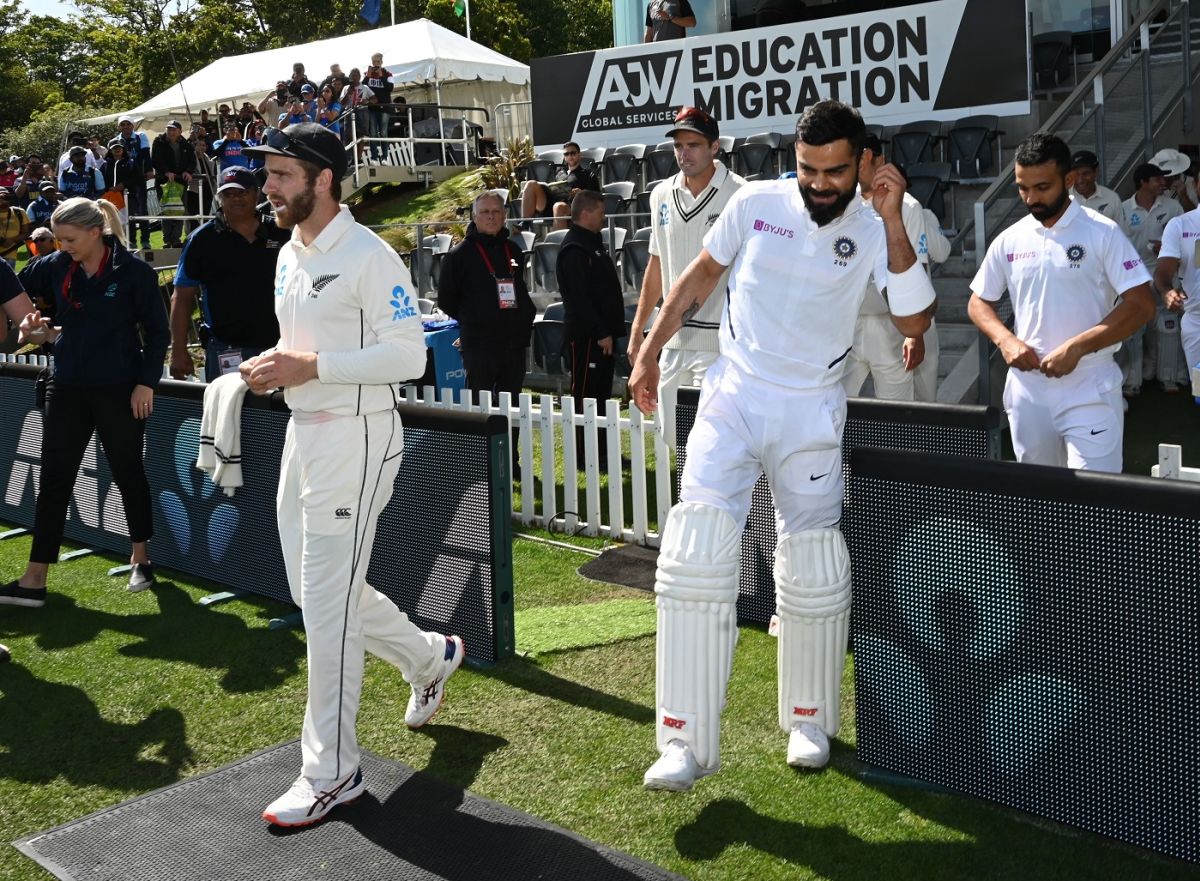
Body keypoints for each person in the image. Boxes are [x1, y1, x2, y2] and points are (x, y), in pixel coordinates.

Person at [628, 99, 934, 790]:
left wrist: (890, 219)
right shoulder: (756, 202)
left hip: (810, 411)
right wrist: (650, 349)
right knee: (695, 547)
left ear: (864, 163)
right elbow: (699, 276)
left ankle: (809, 719)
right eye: (807, 169)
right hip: (732, 394)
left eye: (834, 172)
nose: (819, 185)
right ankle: (683, 741)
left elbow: (915, 312)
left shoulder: (879, 221)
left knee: (814, 558)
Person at [240, 123, 465, 827]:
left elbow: (410, 358)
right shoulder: (289, 251)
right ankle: (428, 656)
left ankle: (331, 773)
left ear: (322, 177)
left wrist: (312, 369)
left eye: (280, 174)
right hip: (304, 432)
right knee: (320, 595)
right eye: (268, 174)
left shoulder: (370, 256)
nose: (267, 187)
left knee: (328, 606)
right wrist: (275, 367)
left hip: (360, 439)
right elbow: (304, 345)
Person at [0, 198, 169, 608]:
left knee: (127, 470)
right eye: (58, 239)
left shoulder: (135, 273)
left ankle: (141, 558)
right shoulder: (54, 265)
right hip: (67, 384)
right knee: (54, 477)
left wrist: (146, 383)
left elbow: (157, 333)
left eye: (70, 239)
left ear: (96, 232)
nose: (62, 246)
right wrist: (34, 326)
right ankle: (35, 579)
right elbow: (22, 298)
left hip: (120, 388)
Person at [968, 133, 1154, 472]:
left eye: (1042, 187)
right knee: (1038, 498)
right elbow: (978, 302)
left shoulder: (1103, 232)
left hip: (1089, 384)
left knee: (1096, 499)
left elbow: (1141, 304)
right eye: (1023, 188)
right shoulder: (1010, 239)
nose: (1031, 198)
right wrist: (1005, 339)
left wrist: (1079, 347)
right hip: (1028, 389)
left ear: (1068, 180)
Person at [628, 106, 745, 451]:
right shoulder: (661, 194)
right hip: (672, 343)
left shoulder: (739, 194)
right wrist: (639, 331)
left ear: (715, 147)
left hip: (721, 345)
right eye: (678, 146)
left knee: (715, 451)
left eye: (693, 144)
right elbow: (656, 266)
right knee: (673, 445)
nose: (684, 153)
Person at [437, 191, 535, 474]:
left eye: (496, 211)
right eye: (485, 212)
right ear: (474, 217)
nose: (491, 216)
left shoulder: (513, 250)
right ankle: (480, 463)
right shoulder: (459, 255)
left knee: (511, 404)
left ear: (504, 215)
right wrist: (473, 320)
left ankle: (510, 462)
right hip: (479, 344)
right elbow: (446, 299)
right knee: (480, 403)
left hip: (513, 344)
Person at [170, 167, 289, 382]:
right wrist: (179, 349)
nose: (236, 199)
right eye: (228, 194)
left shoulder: (282, 233)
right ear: (220, 198)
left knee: (281, 414)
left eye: (242, 192)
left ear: (256, 193)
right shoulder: (201, 240)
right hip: (225, 349)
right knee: (227, 415)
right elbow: (181, 296)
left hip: (280, 346)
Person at [840, 133, 935, 402]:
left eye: (865, 154)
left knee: (896, 415)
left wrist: (915, 336)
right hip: (850, 324)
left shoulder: (907, 206)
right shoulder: (844, 205)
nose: (859, 162)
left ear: (879, 158)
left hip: (892, 326)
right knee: (836, 410)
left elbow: (918, 269)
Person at [557, 189, 627, 467]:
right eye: (600, 212)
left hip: (602, 336)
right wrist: (601, 332)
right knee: (585, 396)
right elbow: (578, 299)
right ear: (585, 214)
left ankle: (605, 452)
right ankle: (585, 455)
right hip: (588, 338)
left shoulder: (592, 243)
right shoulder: (575, 248)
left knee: (601, 397)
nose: (604, 217)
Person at [1122, 162, 1184, 393]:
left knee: (1168, 326)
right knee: (1135, 328)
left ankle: (1169, 377)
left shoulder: (1173, 206)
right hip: (1135, 275)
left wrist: (1167, 247)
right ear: (1143, 183)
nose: (1163, 183)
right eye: (1157, 179)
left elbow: (1182, 237)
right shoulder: (1124, 208)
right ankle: (1133, 381)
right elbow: (1117, 243)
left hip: (1166, 272)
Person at [1153, 196, 1200, 395]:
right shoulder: (1180, 225)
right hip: (1196, 321)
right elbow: (1163, 271)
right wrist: (1167, 291)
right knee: (1199, 390)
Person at [519, 141, 601, 231]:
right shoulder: (560, 173)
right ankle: (524, 224)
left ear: (579, 154)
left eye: (573, 153)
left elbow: (597, 198)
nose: (570, 156)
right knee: (530, 184)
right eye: (566, 154)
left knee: (559, 206)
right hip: (551, 204)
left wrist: (581, 193)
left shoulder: (588, 175)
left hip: (572, 208)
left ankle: (558, 242)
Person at [151, 120, 196, 249]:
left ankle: (176, 239)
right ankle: (167, 240)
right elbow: (155, 160)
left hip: (180, 182)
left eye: (174, 129)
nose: (171, 132)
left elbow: (192, 161)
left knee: (179, 211)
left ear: (180, 131)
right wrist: (165, 172)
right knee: (167, 211)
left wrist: (188, 171)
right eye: (169, 129)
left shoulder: (186, 144)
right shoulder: (158, 142)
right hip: (164, 182)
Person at [114, 116, 154, 251]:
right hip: (124, 181)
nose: (125, 127)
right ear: (119, 127)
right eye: (122, 124)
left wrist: (148, 170)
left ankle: (145, 240)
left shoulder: (140, 136)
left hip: (139, 177)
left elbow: (146, 154)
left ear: (132, 125)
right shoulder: (115, 141)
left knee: (142, 209)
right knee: (128, 211)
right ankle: (131, 241)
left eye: (128, 124)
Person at [1068, 150, 1123, 224]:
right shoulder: (1062, 199)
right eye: (1076, 174)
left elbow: (1122, 232)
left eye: (1085, 174)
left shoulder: (1112, 198)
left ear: (1096, 172)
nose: (1080, 180)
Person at [364, 53, 394, 163]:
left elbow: (390, 88)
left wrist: (381, 76)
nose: (376, 64)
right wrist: (368, 75)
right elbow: (362, 88)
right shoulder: (368, 74)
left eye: (377, 62)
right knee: (372, 133)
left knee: (384, 132)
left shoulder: (388, 74)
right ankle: (374, 157)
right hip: (372, 108)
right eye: (374, 62)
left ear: (381, 62)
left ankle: (385, 157)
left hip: (385, 108)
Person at [0, 188, 30, 268]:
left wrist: (12, 240)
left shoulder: (19, 212)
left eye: (6, 197)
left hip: (10, 255)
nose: (3, 200)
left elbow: (26, 233)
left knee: (7, 279)